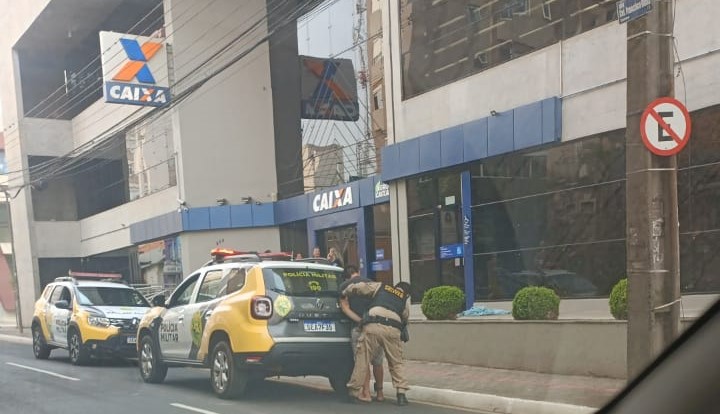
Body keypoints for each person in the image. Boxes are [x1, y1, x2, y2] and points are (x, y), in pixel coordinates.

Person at [342, 280, 411, 406]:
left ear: (395, 287)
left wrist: (347, 291)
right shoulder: (404, 299)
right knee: (396, 362)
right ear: (407, 293)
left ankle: (353, 392)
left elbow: (362, 287)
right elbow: (405, 317)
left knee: (362, 359)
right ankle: (401, 394)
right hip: (393, 329)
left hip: (373, 323)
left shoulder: (383, 286)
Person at [338, 265, 384, 403]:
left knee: (362, 361)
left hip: (358, 327)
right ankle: (380, 394)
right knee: (377, 361)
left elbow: (345, 308)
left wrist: (360, 320)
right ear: (358, 272)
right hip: (376, 326)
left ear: (347, 275)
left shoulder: (344, 286)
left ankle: (366, 393)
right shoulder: (371, 282)